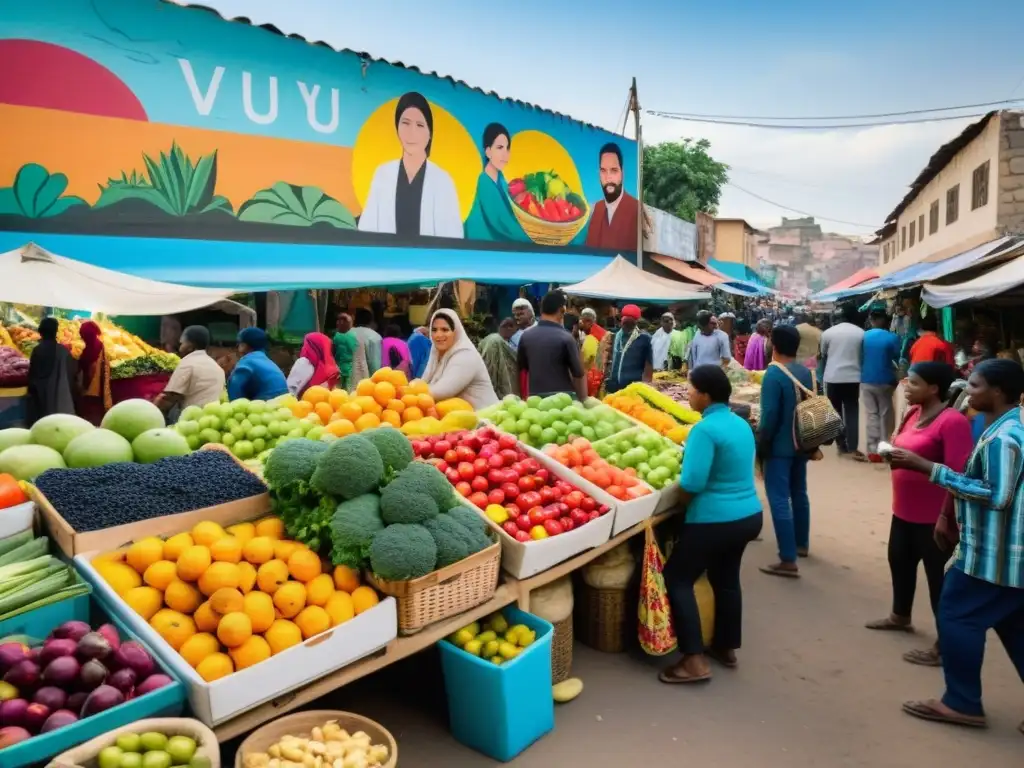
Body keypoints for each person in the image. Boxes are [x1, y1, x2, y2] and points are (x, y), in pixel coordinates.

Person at [891, 359, 1024, 731]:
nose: (968, 391)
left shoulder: (1004, 437)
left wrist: (928, 468)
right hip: (1003, 552)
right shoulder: (1001, 427)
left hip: (995, 555)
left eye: (976, 385)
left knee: (956, 615)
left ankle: (962, 702)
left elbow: (998, 495)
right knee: (1013, 625)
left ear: (998, 392)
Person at [865, 362, 973, 667]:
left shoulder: (952, 422)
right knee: (899, 562)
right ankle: (900, 616)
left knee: (939, 582)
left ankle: (944, 645)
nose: (906, 386)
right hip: (904, 510)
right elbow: (903, 448)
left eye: (913, 382)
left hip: (934, 516)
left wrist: (945, 516)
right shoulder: (912, 413)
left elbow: (957, 473)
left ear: (934, 388)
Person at [660, 365, 762, 684]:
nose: (688, 394)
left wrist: (682, 510)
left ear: (704, 396)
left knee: (677, 577)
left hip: (714, 520)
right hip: (749, 516)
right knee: (726, 578)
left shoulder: (703, 430)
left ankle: (693, 660)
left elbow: (692, 481)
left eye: (691, 389)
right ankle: (726, 647)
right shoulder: (739, 423)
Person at [357, 92, 464, 238]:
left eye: (420, 125)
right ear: (397, 128)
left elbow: (453, 237)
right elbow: (366, 230)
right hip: (387, 259)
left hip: (429, 260)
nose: (411, 133)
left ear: (430, 133)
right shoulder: (382, 174)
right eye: (405, 123)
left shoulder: (443, 181)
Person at [757, 325, 815, 578]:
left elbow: (769, 416)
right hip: (802, 442)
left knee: (779, 498)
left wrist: (761, 443)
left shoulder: (773, 374)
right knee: (799, 492)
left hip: (779, 446)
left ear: (774, 345)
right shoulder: (805, 372)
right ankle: (801, 544)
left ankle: (788, 558)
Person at [464, 123, 529, 242]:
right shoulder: (483, 181)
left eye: (507, 148)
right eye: (500, 147)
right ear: (488, 152)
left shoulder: (503, 181)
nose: (505, 154)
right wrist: (532, 238)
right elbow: (501, 222)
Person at [422, 309, 498, 409]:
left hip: (484, 418)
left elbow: (443, 390)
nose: (438, 335)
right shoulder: (437, 354)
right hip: (457, 419)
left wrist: (411, 394)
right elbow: (423, 382)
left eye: (445, 330)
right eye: (434, 330)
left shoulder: (466, 355)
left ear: (455, 332)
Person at [517, 291, 586, 400]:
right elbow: (579, 375)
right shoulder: (566, 338)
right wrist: (583, 401)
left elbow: (522, 372)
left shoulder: (526, 337)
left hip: (535, 403)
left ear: (541, 310)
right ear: (562, 310)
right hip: (563, 404)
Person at [820, 304, 865, 459]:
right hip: (854, 377)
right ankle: (853, 447)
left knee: (836, 411)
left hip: (833, 377)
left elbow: (823, 355)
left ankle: (841, 444)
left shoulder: (827, 333)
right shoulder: (860, 333)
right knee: (852, 411)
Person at [154, 326, 225, 418]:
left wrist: (152, 410)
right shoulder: (216, 367)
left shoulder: (187, 363)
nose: (180, 347)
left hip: (192, 419)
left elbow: (170, 398)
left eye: (182, 343)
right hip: (213, 418)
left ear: (190, 346)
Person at [584, 142, 640, 252]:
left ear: (622, 173)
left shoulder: (637, 210)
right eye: (603, 170)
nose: (608, 177)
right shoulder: (595, 210)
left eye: (614, 170)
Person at [861, 311, 901, 461]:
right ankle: (885, 449)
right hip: (886, 379)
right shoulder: (892, 337)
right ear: (885, 320)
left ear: (871, 319)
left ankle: (872, 449)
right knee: (885, 414)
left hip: (866, 379)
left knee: (871, 414)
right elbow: (897, 357)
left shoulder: (863, 337)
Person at [26, 317, 75, 425]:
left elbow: (32, 374)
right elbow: (72, 374)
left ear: (40, 332)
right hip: (59, 395)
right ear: (55, 331)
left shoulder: (37, 350)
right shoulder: (63, 351)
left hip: (40, 393)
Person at [227, 328, 288, 402]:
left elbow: (234, 388)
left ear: (243, 346)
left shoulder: (247, 362)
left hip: (266, 405)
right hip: (285, 404)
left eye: (239, 344)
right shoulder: (268, 361)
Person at [607, 304, 654, 393]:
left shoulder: (644, 338)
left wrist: (646, 386)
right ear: (621, 320)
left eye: (630, 323)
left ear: (636, 322)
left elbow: (649, 365)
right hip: (613, 387)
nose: (626, 326)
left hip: (633, 388)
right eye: (625, 322)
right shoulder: (615, 336)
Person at [76, 320, 111, 426]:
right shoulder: (99, 344)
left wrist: (85, 384)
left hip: (92, 386)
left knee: (92, 411)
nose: (82, 338)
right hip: (98, 385)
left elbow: (90, 367)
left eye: (83, 335)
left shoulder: (92, 348)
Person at [287, 332, 340, 397]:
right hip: (323, 405)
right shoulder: (329, 367)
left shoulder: (304, 362)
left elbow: (291, 390)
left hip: (303, 404)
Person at [478, 317, 519, 399]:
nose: (508, 328)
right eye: (504, 326)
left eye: (510, 326)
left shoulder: (517, 339)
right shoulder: (493, 341)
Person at [332, 313, 363, 390]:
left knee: (338, 388)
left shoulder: (337, 336)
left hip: (338, 366)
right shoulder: (353, 336)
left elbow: (334, 351)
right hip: (350, 366)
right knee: (348, 388)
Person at [353, 309, 382, 377]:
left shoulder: (345, 334)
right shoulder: (374, 336)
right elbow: (375, 363)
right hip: (364, 380)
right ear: (371, 321)